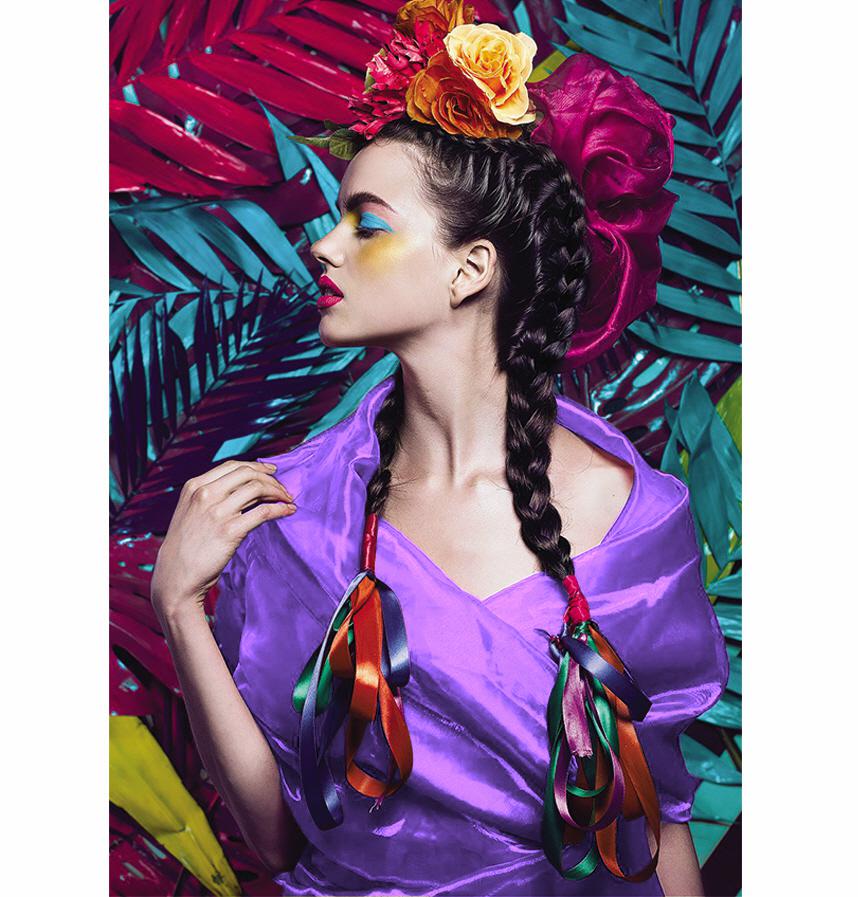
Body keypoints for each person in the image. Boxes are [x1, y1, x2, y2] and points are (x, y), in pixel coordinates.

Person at [150, 5, 729, 895]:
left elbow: (652, 831)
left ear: (471, 268)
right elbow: (278, 841)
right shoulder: (291, 508)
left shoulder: (630, 520)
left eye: (366, 224)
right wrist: (180, 604)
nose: (322, 245)